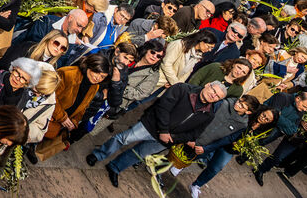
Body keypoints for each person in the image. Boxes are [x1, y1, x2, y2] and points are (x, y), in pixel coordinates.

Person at [86, 79, 227, 186]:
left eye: (217, 97)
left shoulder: (209, 114)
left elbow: (194, 134)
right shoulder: (183, 89)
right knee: (123, 139)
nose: (213, 96)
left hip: (166, 140)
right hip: (150, 125)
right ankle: (98, 155)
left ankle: (115, 167)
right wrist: (164, 130)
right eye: (213, 90)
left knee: (139, 154)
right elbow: (163, 106)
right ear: (208, 85)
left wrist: (172, 138)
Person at [38, 52, 112, 159]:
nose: (98, 78)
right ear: (89, 65)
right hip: (46, 114)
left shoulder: (94, 87)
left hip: (59, 123)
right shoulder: (68, 74)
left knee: (43, 138)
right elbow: (50, 95)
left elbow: (84, 107)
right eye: (97, 72)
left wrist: (74, 121)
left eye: (102, 77)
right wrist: (62, 117)